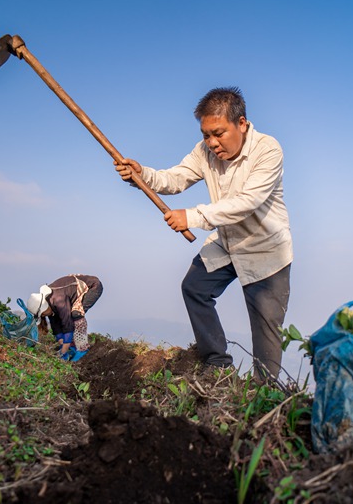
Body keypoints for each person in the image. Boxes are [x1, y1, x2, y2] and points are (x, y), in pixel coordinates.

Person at [114, 87, 292, 381]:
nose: (211, 142)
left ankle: (266, 396)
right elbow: (175, 178)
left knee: (266, 337)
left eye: (219, 133)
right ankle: (217, 363)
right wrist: (141, 174)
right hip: (228, 243)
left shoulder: (268, 150)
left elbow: (246, 204)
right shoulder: (204, 151)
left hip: (266, 251)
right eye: (206, 134)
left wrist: (192, 216)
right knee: (194, 287)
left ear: (242, 124)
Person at [26, 274, 103, 362]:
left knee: (76, 314)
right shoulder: (49, 302)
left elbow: (68, 323)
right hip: (73, 291)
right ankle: (72, 346)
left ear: (44, 307)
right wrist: (62, 343)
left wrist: (64, 350)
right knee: (60, 317)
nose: (43, 316)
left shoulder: (58, 300)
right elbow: (55, 324)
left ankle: (82, 349)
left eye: (42, 314)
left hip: (92, 287)